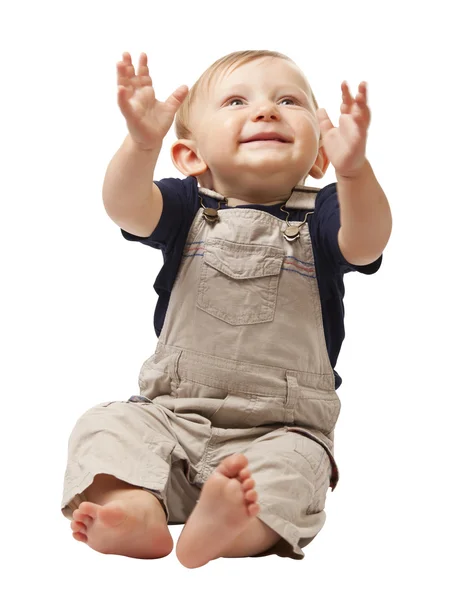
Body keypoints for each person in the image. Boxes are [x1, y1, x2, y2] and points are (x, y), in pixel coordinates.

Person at [61, 49, 392, 568]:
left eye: (288, 100)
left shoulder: (327, 212)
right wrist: (141, 145)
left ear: (320, 156)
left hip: (281, 429)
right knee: (107, 425)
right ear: (193, 158)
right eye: (237, 101)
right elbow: (125, 205)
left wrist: (355, 175)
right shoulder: (185, 206)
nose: (266, 110)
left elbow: (366, 242)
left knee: (296, 468)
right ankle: (135, 509)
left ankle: (227, 530)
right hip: (171, 417)